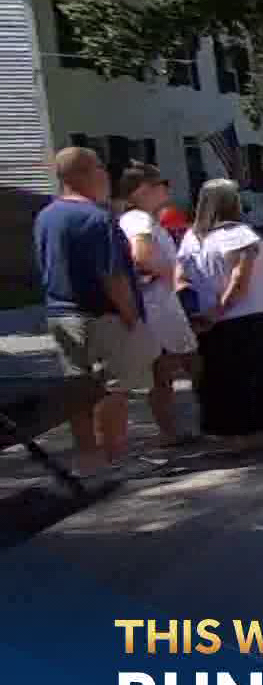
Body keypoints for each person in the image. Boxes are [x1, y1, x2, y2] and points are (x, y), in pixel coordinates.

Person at [35, 147, 159, 474]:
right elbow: (113, 275)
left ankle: (88, 457)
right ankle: (114, 456)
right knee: (113, 388)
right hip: (103, 316)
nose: (106, 174)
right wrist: (131, 315)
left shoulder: (46, 216)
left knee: (78, 389)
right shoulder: (97, 217)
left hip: (61, 313)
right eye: (100, 167)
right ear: (82, 174)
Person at [176, 179, 263, 450]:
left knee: (224, 381)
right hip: (251, 317)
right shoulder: (239, 235)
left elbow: (180, 279)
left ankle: (236, 438)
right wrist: (218, 310)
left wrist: (196, 313)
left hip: (213, 324)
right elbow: (239, 280)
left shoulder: (191, 239)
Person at [117, 162, 197, 446]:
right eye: (161, 183)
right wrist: (173, 275)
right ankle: (215, 422)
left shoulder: (136, 219)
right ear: (142, 190)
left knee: (162, 373)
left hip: (155, 306)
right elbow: (141, 256)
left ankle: (170, 432)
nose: (167, 189)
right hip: (159, 307)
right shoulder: (139, 219)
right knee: (191, 364)